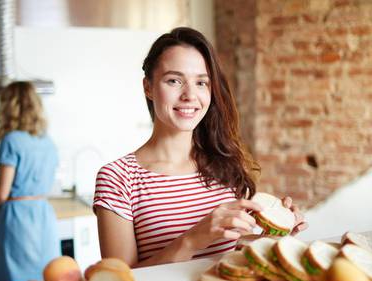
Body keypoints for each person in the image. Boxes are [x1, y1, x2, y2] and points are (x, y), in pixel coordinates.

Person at [94, 27, 307, 268]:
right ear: (148, 87)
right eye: (174, 80)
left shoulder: (224, 162)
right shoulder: (118, 178)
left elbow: (227, 256)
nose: (190, 95)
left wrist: (271, 238)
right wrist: (193, 240)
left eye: (201, 83)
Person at [0, 81, 60, 281]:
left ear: (9, 106)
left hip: (18, 219)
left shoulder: (11, 140)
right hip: (44, 215)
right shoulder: (48, 141)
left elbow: (2, 193)